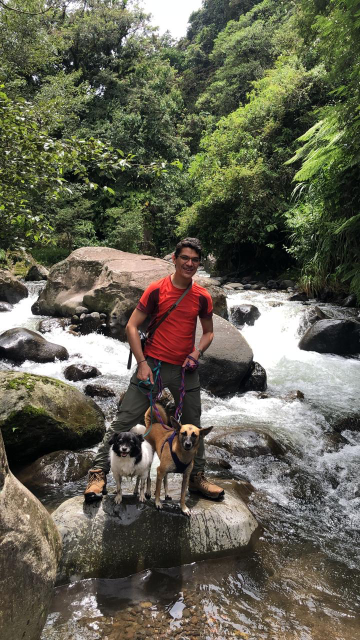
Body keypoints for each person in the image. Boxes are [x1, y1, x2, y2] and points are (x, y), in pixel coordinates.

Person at [84, 237, 225, 503]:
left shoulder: (202, 297)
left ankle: (197, 476)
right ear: (174, 259)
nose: (189, 264)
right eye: (185, 258)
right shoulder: (157, 290)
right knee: (123, 421)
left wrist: (197, 353)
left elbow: (208, 333)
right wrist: (142, 363)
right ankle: (98, 472)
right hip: (153, 367)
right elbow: (132, 327)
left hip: (186, 370)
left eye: (195, 260)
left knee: (194, 424)